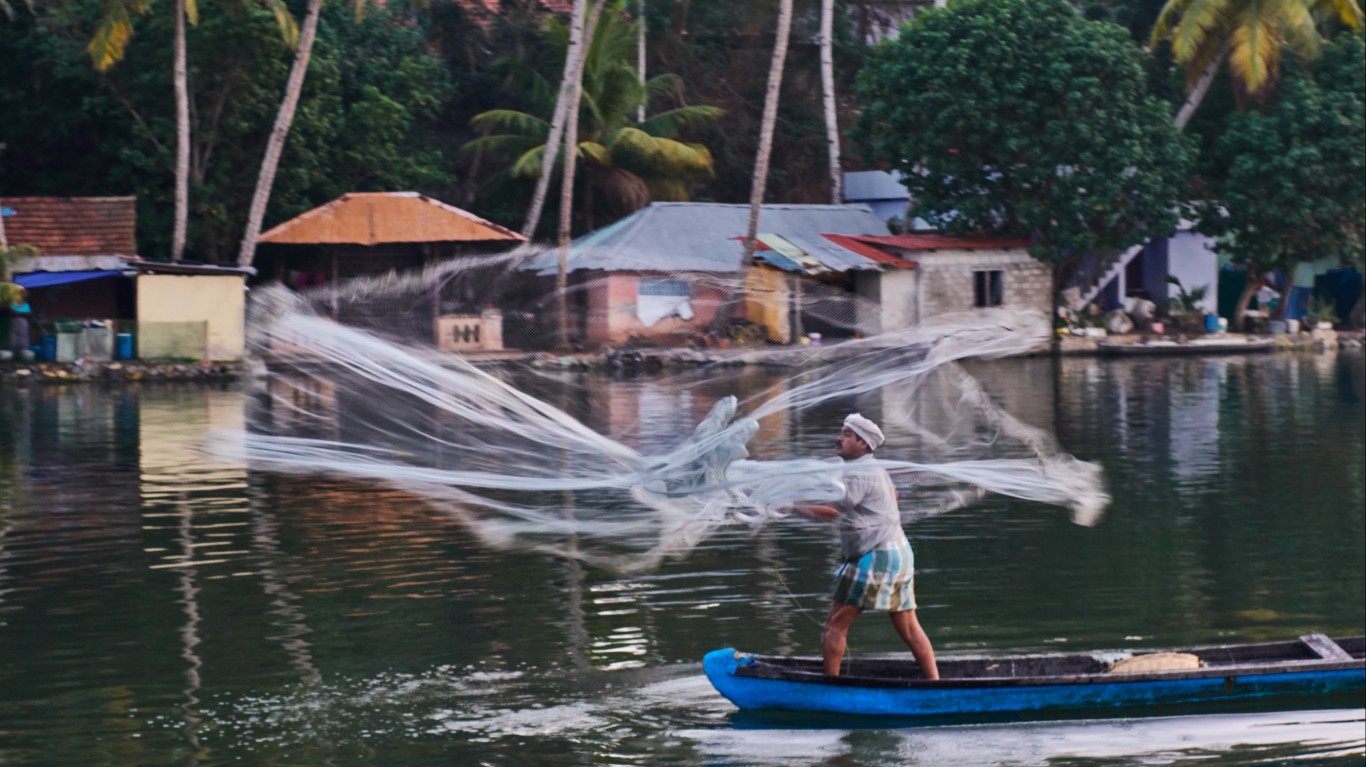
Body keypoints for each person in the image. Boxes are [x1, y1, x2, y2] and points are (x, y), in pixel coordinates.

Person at [792, 413, 940, 679]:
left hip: (877, 555)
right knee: (908, 627)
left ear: (863, 444)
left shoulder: (859, 472)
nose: (840, 438)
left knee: (835, 624)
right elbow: (893, 495)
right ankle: (935, 683)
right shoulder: (874, 469)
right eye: (842, 432)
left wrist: (790, 508)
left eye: (847, 435)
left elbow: (833, 511)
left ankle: (831, 687)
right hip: (899, 552)